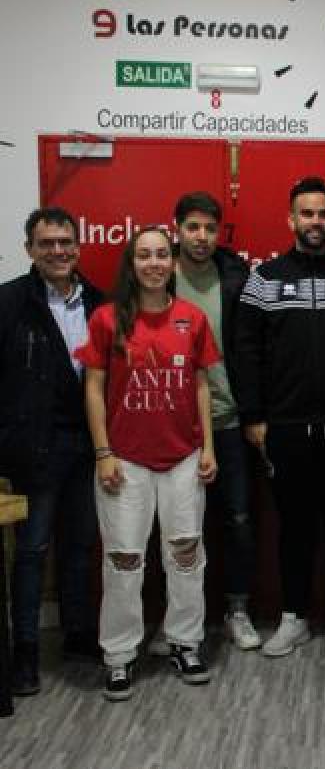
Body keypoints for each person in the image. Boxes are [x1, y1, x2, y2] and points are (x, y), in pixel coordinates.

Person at [234, 176, 325, 657]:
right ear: (291, 218)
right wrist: (255, 416)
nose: (315, 222)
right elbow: (245, 350)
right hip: (285, 426)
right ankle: (294, 616)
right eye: (307, 213)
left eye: (323, 213)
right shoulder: (265, 279)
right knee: (294, 526)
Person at [77, 227, 219, 701]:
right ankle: (119, 655)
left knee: (185, 556)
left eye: (162, 254)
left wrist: (208, 448)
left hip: (182, 458)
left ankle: (184, 642)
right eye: (145, 255)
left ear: (172, 261)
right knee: (124, 560)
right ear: (131, 263)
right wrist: (102, 452)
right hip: (124, 462)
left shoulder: (191, 318)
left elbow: (201, 386)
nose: (154, 263)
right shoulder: (105, 319)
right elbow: (94, 388)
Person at [0, 208, 103, 696]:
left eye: (66, 242)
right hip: (36, 448)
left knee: (81, 544)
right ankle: (25, 652)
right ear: (30, 250)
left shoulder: (100, 302)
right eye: (47, 244)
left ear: (78, 246)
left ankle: (79, 635)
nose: (58, 251)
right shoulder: (9, 303)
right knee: (32, 551)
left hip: (88, 444)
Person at [166, 191, 261, 651]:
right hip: (171, 425)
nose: (201, 237)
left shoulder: (237, 276)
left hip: (228, 420)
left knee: (239, 519)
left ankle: (236, 611)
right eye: (192, 227)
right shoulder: (158, 276)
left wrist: (253, 411)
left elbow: (252, 348)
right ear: (177, 228)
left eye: (209, 228)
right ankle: (179, 620)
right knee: (177, 527)